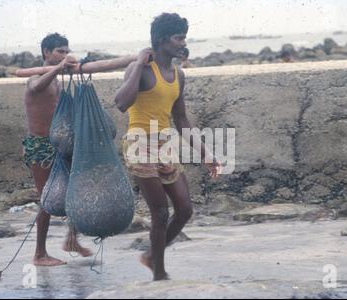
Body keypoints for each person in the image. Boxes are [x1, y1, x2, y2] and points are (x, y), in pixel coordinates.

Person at [115, 13, 221, 280]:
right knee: (160, 212)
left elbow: (182, 119)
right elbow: (121, 103)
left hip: (165, 145)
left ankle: (151, 255)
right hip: (139, 144)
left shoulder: (178, 74)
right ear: (162, 40)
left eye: (184, 37)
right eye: (178, 37)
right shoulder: (141, 70)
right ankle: (159, 273)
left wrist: (205, 153)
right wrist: (139, 63)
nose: (182, 42)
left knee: (185, 209)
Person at [23, 33, 136, 266]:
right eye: (59, 52)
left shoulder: (63, 78)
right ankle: (39, 254)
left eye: (66, 51)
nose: (64, 55)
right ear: (46, 52)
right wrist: (58, 68)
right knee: (46, 199)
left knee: (75, 189)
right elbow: (35, 86)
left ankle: (71, 240)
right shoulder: (37, 76)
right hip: (41, 147)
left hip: (64, 145)